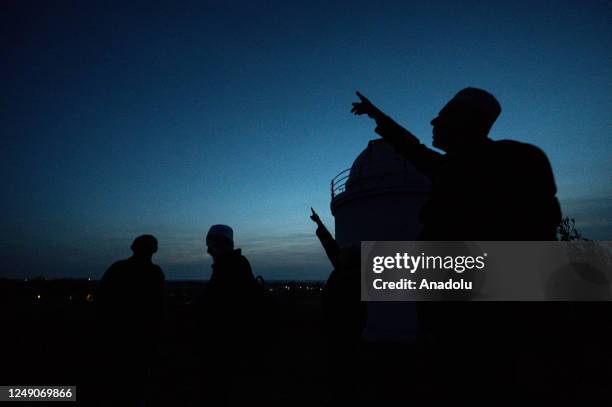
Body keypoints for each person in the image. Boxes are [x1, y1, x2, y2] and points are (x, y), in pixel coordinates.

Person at [351, 88, 561, 240]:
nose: (433, 122)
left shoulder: (517, 160)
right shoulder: (452, 166)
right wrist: (376, 114)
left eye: (444, 116)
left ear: (466, 121)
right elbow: (412, 148)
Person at [197, 225, 264, 406]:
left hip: (229, 351)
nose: (208, 249)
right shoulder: (233, 265)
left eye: (211, 244)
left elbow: (225, 311)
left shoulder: (230, 268)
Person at [96, 234, 165, 406]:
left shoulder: (118, 268)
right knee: (136, 381)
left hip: (118, 336)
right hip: (140, 337)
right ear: (154, 250)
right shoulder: (154, 273)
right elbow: (159, 306)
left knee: (120, 381)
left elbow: (102, 299)